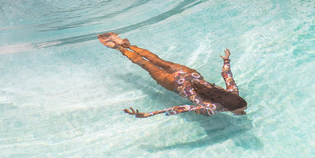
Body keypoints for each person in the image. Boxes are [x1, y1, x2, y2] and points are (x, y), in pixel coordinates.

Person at [98, 32, 247, 117]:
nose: (243, 112)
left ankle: (127, 44)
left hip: (190, 74)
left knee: (155, 59)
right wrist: (150, 114)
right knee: (145, 64)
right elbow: (181, 108)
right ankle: (119, 48)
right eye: (241, 110)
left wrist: (226, 60)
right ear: (228, 107)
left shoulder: (233, 92)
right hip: (175, 83)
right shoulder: (211, 108)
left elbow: (227, 75)